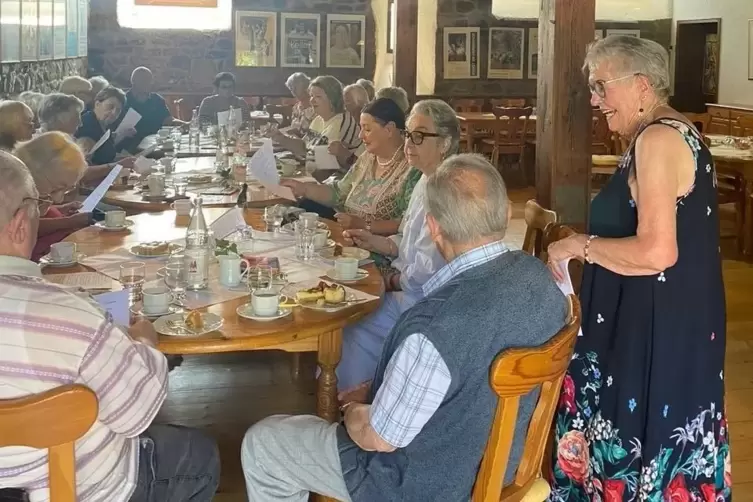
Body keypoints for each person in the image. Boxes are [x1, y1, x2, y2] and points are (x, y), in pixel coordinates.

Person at [240, 153, 568, 502]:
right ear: (505, 214)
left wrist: (354, 413)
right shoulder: (543, 281)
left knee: (265, 443)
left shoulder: (434, 325)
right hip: (508, 472)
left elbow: (380, 439)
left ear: (434, 227)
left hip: (426, 487)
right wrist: (382, 394)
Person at [546, 35, 730, 501]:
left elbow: (656, 252)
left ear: (642, 85)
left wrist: (578, 246)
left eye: (601, 86)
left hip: (653, 323)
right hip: (666, 316)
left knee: (637, 433)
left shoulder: (658, 138)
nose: (594, 99)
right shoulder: (665, 132)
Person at [0, 151, 220, 502]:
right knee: (197, 454)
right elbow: (137, 416)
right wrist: (146, 345)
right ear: (19, 225)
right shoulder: (68, 313)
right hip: (79, 491)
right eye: (36, 210)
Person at [334, 99, 458, 391]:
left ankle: (357, 399)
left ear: (445, 143)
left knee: (352, 322)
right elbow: (408, 239)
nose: (409, 144)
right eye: (409, 134)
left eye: (420, 136)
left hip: (427, 304)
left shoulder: (449, 190)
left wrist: (390, 281)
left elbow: (430, 270)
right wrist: (375, 241)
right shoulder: (425, 181)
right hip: (410, 289)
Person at [281, 98, 420, 237]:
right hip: (348, 237)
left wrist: (365, 225)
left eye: (367, 129)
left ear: (389, 129)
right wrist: (303, 189)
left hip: (378, 248)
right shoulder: (368, 157)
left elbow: (407, 222)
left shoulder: (412, 168)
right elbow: (339, 193)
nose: (361, 135)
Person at [13, 132, 93, 261]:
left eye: (66, 190)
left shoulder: (37, 192)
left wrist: (60, 209)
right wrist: (68, 222)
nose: (58, 199)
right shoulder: (8, 192)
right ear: (33, 170)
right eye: (56, 189)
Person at [273, 75, 363, 168]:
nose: (312, 100)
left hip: (333, 179)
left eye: (318, 96)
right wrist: (279, 137)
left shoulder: (343, 122)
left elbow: (332, 165)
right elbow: (304, 147)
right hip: (314, 175)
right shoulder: (318, 119)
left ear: (332, 98)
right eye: (311, 96)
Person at [38, 93, 126, 185]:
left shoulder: (64, 139)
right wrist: (117, 165)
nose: (80, 123)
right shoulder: (46, 143)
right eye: (76, 117)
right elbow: (81, 174)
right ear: (60, 118)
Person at [114, 67, 187, 153]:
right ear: (133, 82)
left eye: (150, 80)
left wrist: (186, 124)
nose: (149, 83)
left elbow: (168, 120)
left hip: (155, 145)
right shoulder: (123, 101)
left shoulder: (157, 99)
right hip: (130, 147)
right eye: (144, 80)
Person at [75, 86, 128, 166]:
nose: (114, 113)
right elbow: (84, 167)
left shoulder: (104, 124)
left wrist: (128, 159)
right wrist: (119, 163)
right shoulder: (87, 125)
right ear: (97, 104)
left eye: (118, 110)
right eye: (110, 106)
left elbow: (108, 156)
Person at [284, 72, 316, 136]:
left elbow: (315, 132)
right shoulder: (296, 108)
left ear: (306, 86)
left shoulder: (316, 107)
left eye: (295, 87)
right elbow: (293, 128)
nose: (293, 91)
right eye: (291, 89)